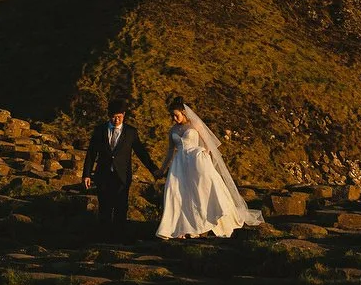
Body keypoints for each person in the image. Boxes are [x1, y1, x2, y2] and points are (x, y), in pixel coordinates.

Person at [156, 96, 263, 239]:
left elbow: (209, 142)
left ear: (184, 113)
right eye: (172, 116)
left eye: (176, 115)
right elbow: (170, 151)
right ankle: (179, 227)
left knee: (203, 190)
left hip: (196, 160)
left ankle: (206, 221)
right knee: (177, 193)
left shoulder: (195, 125)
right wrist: (162, 169)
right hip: (179, 164)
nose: (174, 119)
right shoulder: (173, 130)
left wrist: (205, 153)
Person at [82, 99, 162, 240]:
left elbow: (141, 152)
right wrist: (86, 174)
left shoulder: (131, 132)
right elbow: (91, 153)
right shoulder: (99, 130)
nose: (117, 119)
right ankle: (103, 239)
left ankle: (119, 239)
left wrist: (153, 169)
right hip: (103, 175)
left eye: (119, 116)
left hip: (122, 176)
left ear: (124, 115)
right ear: (108, 115)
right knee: (105, 208)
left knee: (121, 208)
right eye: (113, 116)